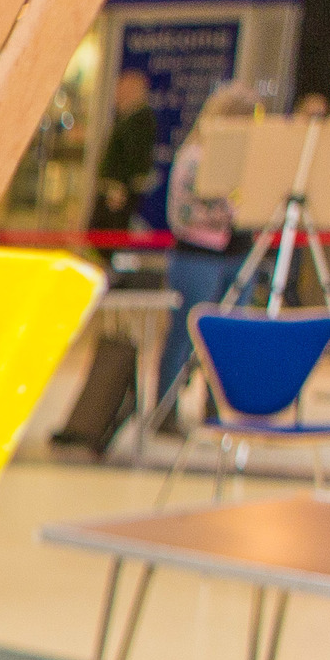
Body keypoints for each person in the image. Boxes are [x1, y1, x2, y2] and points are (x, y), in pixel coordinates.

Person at [161, 81, 259, 421]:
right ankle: (166, 410)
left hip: (238, 254)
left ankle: (215, 407)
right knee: (185, 335)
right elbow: (182, 216)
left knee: (230, 337)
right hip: (198, 257)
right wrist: (227, 211)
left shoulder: (250, 161)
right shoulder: (194, 157)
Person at [90, 69, 160, 235]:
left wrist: (121, 188)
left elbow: (134, 158)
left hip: (117, 194)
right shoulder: (125, 117)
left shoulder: (140, 121)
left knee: (109, 236)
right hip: (112, 190)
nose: (117, 93)